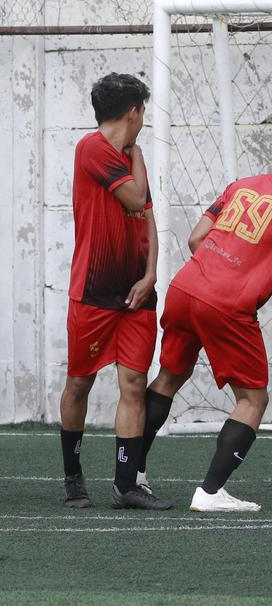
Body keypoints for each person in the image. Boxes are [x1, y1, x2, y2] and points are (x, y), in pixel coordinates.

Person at [138, 124, 272, 511]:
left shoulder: (241, 185)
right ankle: (209, 493)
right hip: (227, 304)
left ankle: (133, 475)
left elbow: (195, 239)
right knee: (253, 399)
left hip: (185, 288)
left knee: (170, 376)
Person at [62, 73, 172, 510]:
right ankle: (74, 479)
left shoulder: (128, 156)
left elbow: (148, 220)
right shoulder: (93, 149)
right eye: (143, 112)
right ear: (134, 112)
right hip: (94, 291)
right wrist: (139, 155)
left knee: (133, 382)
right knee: (79, 384)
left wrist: (150, 277)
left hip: (136, 295)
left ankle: (127, 485)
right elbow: (135, 197)